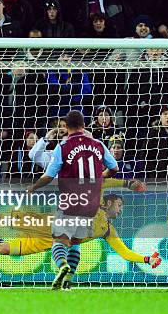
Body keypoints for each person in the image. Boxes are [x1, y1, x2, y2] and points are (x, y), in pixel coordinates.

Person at [0, 193, 161, 291]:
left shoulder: (108, 230)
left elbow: (124, 253)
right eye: (119, 206)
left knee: (1, 248)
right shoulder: (92, 206)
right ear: (108, 204)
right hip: (39, 224)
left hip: (43, 243)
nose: (121, 210)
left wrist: (146, 258)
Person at [27, 110, 119, 290]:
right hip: (91, 202)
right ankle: (68, 281)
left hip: (71, 199)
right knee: (76, 241)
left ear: (67, 127)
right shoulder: (98, 144)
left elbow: (49, 175)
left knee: (59, 240)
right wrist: (101, 176)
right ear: (84, 126)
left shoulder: (63, 147)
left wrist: (34, 187)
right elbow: (114, 167)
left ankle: (62, 266)